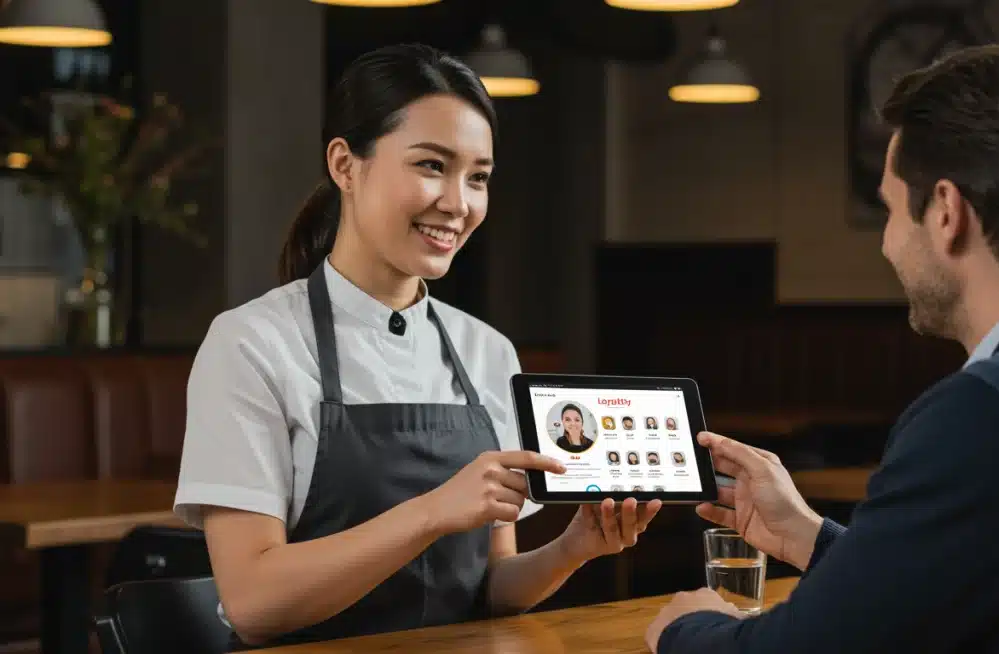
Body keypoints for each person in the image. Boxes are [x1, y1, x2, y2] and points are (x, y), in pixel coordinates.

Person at [647, 43, 999, 654]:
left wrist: (685, 627)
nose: (887, 244)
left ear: (945, 212)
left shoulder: (991, 409)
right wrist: (810, 536)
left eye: (890, 212)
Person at [171, 44, 663, 650]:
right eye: (431, 165)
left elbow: (489, 588)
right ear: (345, 165)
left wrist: (574, 547)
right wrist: (432, 512)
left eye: (477, 177)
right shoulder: (252, 344)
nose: (458, 204)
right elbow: (252, 603)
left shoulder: (486, 352)